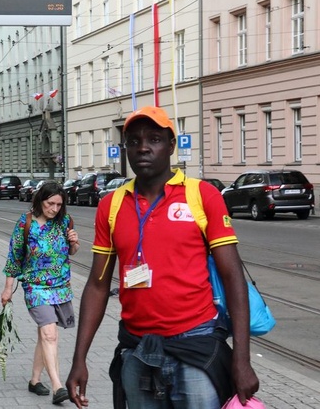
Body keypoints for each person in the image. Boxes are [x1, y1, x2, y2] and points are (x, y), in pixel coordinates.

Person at [66, 106, 259, 408]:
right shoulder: (111, 205)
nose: (143, 147)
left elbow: (233, 277)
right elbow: (97, 285)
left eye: (154, 139)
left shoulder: (202, 195)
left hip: (196, 348)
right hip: (138, 349)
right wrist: (79, 359)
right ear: (125, 147)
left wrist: (242, 360)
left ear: (171, 146)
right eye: (133, 140)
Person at [1, 181, 80, 405]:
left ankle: (35, 380)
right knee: (50, 334)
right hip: (35, 287)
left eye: (58, 205)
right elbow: (14, 258)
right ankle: (57, 386)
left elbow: (70, 252)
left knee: (45, 335)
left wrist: (75, 243)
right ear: (40, 201)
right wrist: (8, 289)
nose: (54, 209)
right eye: (50, 204)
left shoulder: (65, 222)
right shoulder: (25, 223)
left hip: (60, 286)